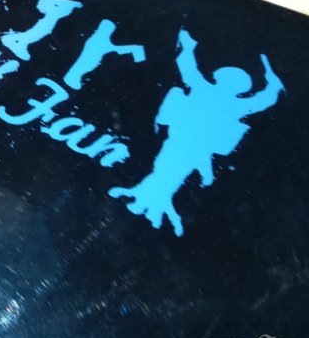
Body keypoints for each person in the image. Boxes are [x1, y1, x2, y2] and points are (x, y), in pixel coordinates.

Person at [109, 29, 284, 236]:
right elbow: (265, 98)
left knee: (170, 171)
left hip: (193, 147)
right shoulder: (232, 102)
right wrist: (272, 82)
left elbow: (188, 67)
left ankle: (150, 204)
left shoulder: (218, 95)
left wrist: (187, 45)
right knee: (165, 168)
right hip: (182, 142)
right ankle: (147, 200)